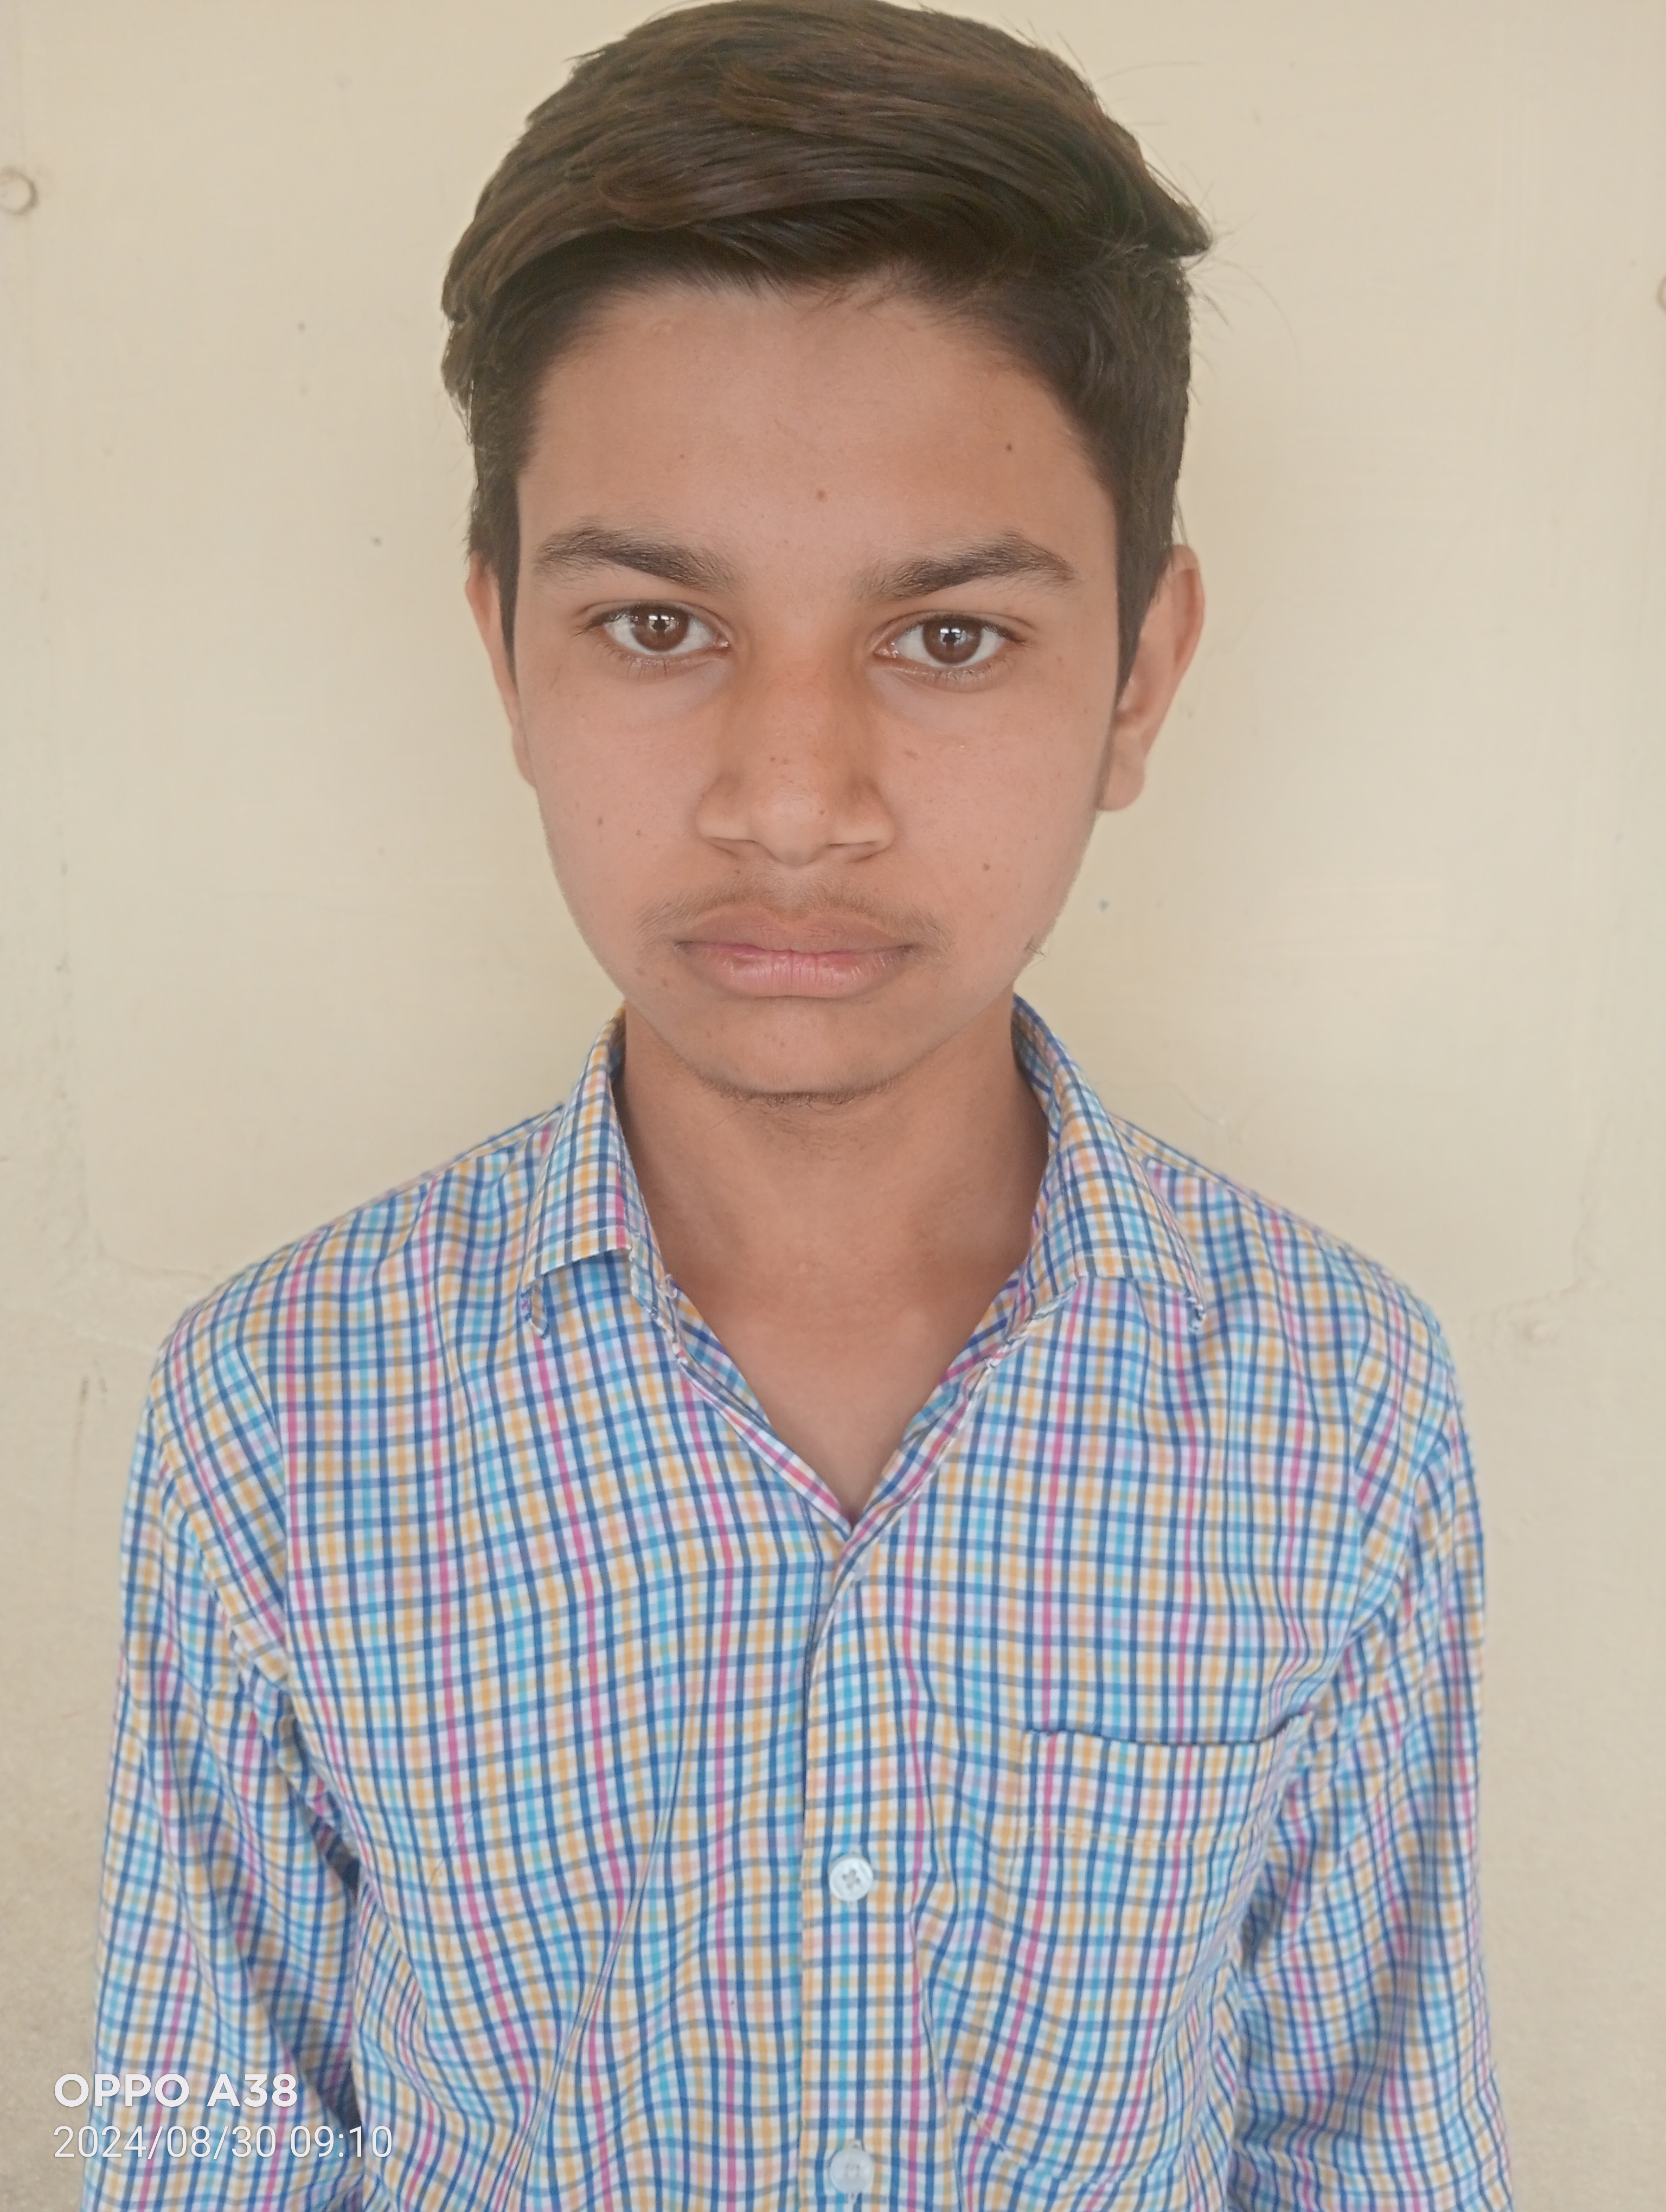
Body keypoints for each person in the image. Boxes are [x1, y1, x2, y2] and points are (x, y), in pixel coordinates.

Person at [83, 3, 1514, 2205]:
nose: (790, 800)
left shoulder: (1338, 1410)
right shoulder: (278, 1418)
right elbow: (198, 2132)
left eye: (948, 639)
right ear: (506, 651)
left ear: (1140, 678)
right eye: (659, 625)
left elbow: (1370, 2144)